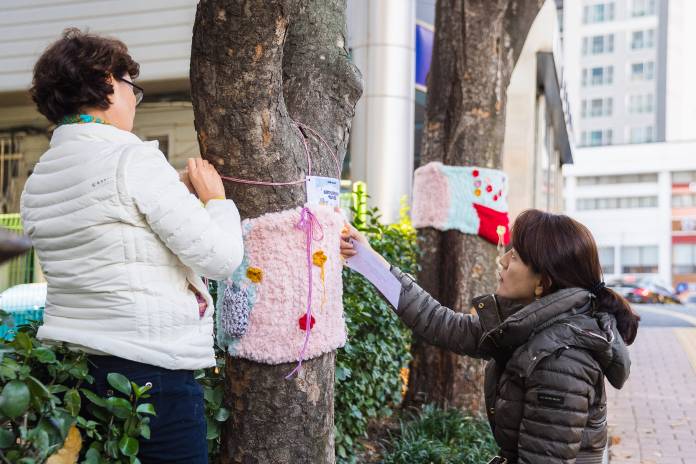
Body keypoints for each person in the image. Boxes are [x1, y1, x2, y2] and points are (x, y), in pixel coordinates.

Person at [21, 29, 244, 463]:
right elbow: (220, 258)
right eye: (131, 87)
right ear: (106, 82)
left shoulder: (39, 178)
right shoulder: (132, 159)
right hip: (150, 375)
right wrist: (215, 200)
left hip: (78, 376)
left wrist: (173, 193)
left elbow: (113, 230)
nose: (134, 101)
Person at [340, 209, 639, 464]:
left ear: (542, 283)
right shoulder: (529, 324)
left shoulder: (560, 360)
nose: (503, 261)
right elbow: (437, 322)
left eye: (516, 256)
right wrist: (368, 259)